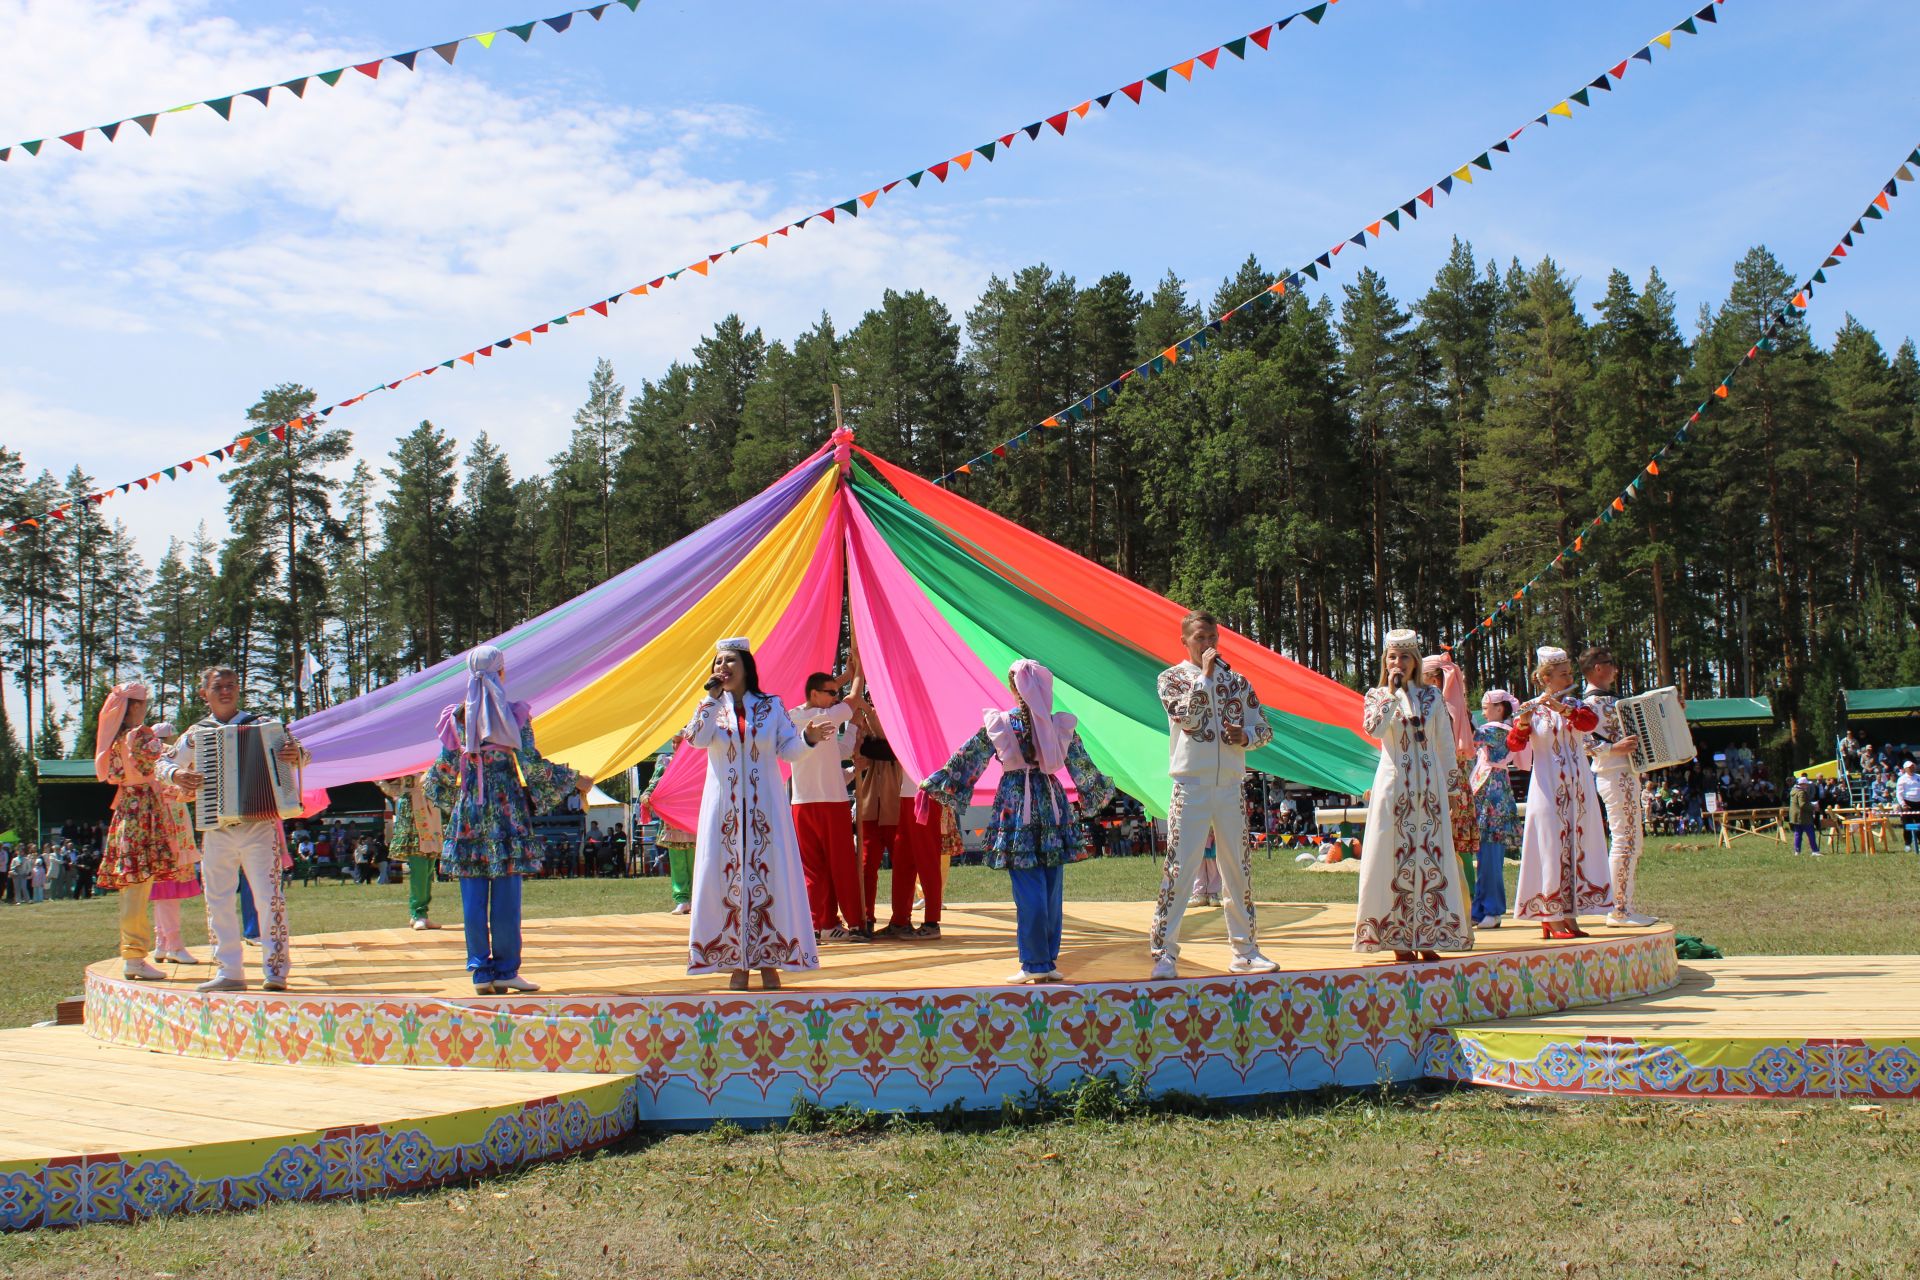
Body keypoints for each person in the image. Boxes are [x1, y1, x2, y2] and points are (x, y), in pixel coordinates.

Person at [922, 659, 1116, 984]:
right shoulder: (1058, 726)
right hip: (1051, 805)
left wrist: (938, 782)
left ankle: (1036, 962)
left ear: (1014, 688)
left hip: (1017, 807)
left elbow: (968, 759)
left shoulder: (1001, 724)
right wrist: (1095, 791)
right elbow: (1084, 768)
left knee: (1030, 888)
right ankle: (1045, 959)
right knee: (1052, 886)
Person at [424, 645, 590, 995]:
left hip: (469, 812)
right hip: (506, 812)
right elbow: (531, 765)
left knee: (472, 896)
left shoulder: (457, 717)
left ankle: (481, 972)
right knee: (506, 895)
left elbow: (443, 770)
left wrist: (434, 788)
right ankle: (506, 968)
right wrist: (575, 779)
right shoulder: (513, 715)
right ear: (500, 673)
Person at [681, 637, 830, 990]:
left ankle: (770, 960)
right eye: (718, 662)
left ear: (746, 666)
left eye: (730, 661)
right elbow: (697, 740)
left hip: (766, 809)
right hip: (724, 812)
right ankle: (735, 963)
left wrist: (807, 738)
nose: (723, 667)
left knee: (770, 878)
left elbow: (788, 751)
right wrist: (709, 700)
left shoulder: (771, 706)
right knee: (725, 879)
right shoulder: (710, 708)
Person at [157, 665, 308, 993]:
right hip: (215, 827)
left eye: (231, 685)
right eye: (218, 687)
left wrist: (296, 754)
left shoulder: (263, 725)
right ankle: (229, 970)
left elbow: (302, 756)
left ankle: (276, 970)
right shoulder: (196, 734)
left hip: (259, 826)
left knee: (269, 899)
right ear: (204, 694)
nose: (226, 691)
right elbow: (162, 763)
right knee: (218, 898)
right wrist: (176, 775)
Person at [1151, 609, 1280, 979]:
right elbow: (1188, 720)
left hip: (1230, 786)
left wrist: (1248, 737)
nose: (1207, 645)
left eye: (1212, 638)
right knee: (1180, 867)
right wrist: (1205, 678)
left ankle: (1245, 951)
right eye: (1200, 638)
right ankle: (1164, 953)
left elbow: (1265, 728)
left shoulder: (1237, 681)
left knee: (1237, 869)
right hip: (1190, 785)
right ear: (1185, 641)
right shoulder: (1171, 679)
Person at [1353, 629, 1474, 962]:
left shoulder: (1433, 697)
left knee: (1429, 860)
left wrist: (1451, 788)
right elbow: (1374, 731)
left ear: (1415, 661)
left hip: (1430, 791)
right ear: (1385, 661)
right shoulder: (1376, 695)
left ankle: (1428, 933)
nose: (1398, 663)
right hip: (1394, 790)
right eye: (1392, 657)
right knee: (1393, 861)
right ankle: (1398, 938)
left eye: (1404, 657)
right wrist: (1391, 696)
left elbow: (1445, 746)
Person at [1509, 646, 1612, 939]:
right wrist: (1525, 722)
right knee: (1550, 847)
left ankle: (1570, 913)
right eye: (1563, 673)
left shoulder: (1577, 704)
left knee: (1577, 845)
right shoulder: (1531, 707)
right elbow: (1515, 745)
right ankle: (1550, 915)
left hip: (1578, 787)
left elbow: (1589, 724)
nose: (1569, 677)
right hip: (1546, 787)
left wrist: (1563, 708)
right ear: (1545, 678)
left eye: (1569, 672)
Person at [94, 682, 190, 980]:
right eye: (144, 703)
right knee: (138, 886)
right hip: (143, 812)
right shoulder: (140, 735)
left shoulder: (116, 740)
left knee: (134, 887)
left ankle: (135, 953)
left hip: (129, 809)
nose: (146, 708)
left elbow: (118, 775)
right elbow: (162, 760)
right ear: (134, 706)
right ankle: (134, 956)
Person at [1581, 646, 1657, 927]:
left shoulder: (1610, 700)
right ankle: (1619, 909)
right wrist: (1613, 748)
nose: (1615, 668)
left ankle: (1623, 905)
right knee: (1625, 840)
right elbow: (1583, 740)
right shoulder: (1588, 704)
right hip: (1613, 772)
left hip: (1625, 772)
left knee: (1630, 840)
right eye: (1610, 663)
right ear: (1597, 668)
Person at [786, 664, 863, 942]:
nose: (835, 696)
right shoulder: (827, 715)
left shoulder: (791, 717)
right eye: (830, 693)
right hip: (831, 802)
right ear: (815, 694)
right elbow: (853, 701)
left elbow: (838, 750)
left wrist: (842, 677)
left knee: (814, 868)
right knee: (841, 864)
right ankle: (854, 922)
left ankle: (821, 925)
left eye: (836, 692)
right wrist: (859, 674)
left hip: (802, 804)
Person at [146, 722, 204, 965]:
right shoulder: (169, 755)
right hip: (171, 825)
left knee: (163, 889)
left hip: (158, 821)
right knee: (168, 886)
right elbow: (184, 791)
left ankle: (162, 942)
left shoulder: (148, 754)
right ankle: (174, 944)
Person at [1470, 689, 1525, 928]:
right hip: (1490, 792)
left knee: (1490, 856)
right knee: (1484, 856)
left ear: (1500, 709)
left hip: (1493, 796)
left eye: (1486, 706)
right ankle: (1480, 908)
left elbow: (1470, 735)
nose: (1483, 711)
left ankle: (1492, 908)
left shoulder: (1496, 731)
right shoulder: (1498, 731)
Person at [376, 773, 444, 930]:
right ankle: (418, 913)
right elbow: (397, 790)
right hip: (415, 815)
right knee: (419, 868)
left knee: (428, 870)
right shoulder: (407, 765)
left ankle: (421, 913)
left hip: (431, 814)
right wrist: (381, 782)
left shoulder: (431, 762)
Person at [638, 740, 695, 914]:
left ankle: (695, 898)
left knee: (695, 860)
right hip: (673, 820)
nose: (676, 745)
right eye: (674, 742)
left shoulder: (696, 761)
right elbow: (655, 782)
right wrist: (647, 794)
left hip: (692, 816)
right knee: (677, 861)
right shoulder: (666, 761)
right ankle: (682, 899)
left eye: (680, 741)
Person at [1788, 775, 1822, 855]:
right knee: (1811, 833)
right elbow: (1802, 805)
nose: (1807, 786)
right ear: (1802, 784)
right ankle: (1815, 850)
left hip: (1796, 816)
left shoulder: (1794, 790)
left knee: (1798, 834)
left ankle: (1797, 851)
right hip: (1803, 817)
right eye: (1806, 784)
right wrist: (1813, 807)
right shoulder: (1801, 792)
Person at [1897, 761, 1920, 854]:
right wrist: (1903, 804)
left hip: (1918, 803)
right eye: (1909, 767)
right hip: (1907, 804)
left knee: (1919, 825)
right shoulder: (1902, 779)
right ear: (1905, 769)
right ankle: (1907, 844)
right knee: (1907, 825)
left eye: (1912, 766)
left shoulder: (1918, 777)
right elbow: (1899, 794)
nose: (1911, 768)